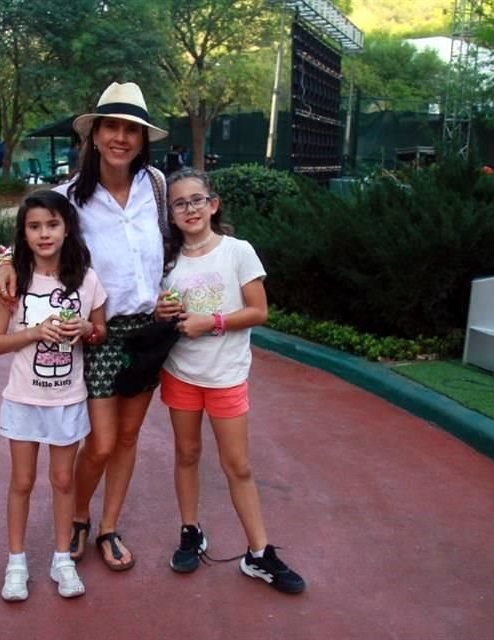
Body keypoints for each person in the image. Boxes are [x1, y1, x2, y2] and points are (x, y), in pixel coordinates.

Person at [0, 81, 169, 572]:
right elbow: (36, 235)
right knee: (103, 441)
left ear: (142, 138)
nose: (121, 138)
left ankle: (108, 526)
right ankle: (79, 517)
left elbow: (187, 234)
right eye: (112, 126)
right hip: (96, 332)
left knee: (129, 437)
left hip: (150, 329)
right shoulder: (71, 196)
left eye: (132, 129)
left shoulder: (156, 186)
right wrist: (6, 263)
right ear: (94, 135)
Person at [153, 168, 306, 595]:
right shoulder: (168, 263)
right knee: (186, 454)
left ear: (213, 204)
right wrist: (162, 314)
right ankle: (190, 531)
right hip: (181, 373)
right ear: (171, 214)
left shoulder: (238, 251)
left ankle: (258, 553)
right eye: (180, 203)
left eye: (196, 200)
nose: (189, 209)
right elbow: (162, 315)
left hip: (226, 376)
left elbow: (259, 311)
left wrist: (211, 321)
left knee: (237, 465)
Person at [0, 190, 108, 601]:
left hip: (68, 399)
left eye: (52, 224)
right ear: (23, 233)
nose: (44, 234)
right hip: (23, 398)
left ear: (67, 227)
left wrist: (84, 331)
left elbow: (99, 330)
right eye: (34, 226)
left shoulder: (86, 279)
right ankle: (16, 563)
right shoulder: (14, 281)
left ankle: (62, 560)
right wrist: (37, 332)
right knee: (21, 481)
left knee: (61, 479)